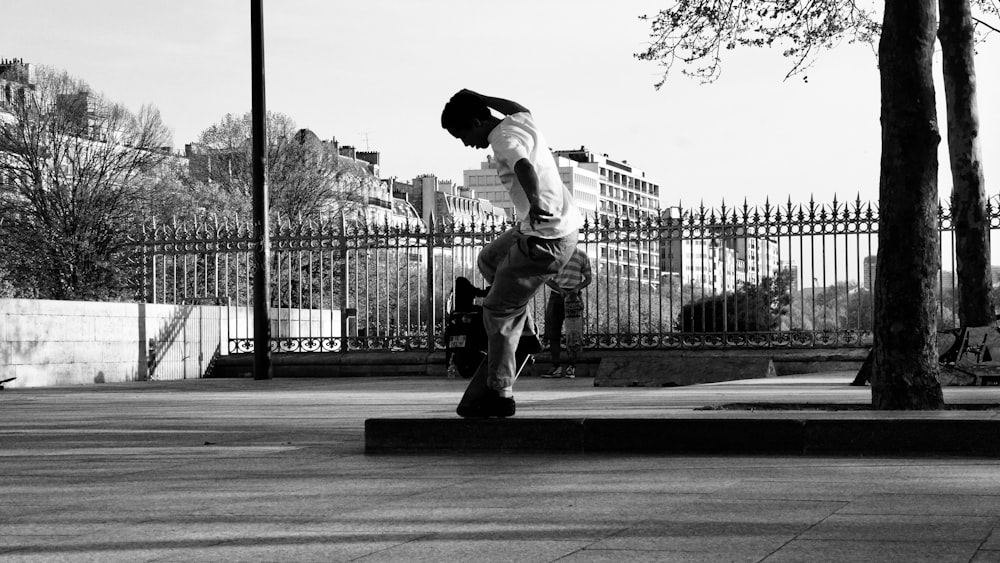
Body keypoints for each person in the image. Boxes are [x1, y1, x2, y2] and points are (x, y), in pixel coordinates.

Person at [441, 88, 581, 417]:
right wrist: (475, 95)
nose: (465, 143)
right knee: (488, 259)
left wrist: (536, 203)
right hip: (555, 228)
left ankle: (501, 394)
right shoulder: (520, 121)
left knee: (497, 311)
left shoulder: (503, 139)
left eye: (463, 134)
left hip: (543, 240)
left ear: (477, 121)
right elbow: (521, 106)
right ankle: (527, 334)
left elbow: (524, 167)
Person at [542, 247, 592, 379]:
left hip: (573, 297)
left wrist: (576, 288)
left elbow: (588, 278)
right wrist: (560, 289)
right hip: (558, 295)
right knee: (553, 332)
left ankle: (571, 366)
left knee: (574, 333)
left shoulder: (581, 255)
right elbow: (546, 277)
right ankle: (557, 365)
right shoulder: (555, 254)